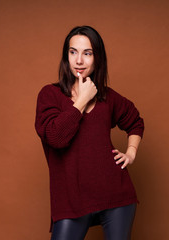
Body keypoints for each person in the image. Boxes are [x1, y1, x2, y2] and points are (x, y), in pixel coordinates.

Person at [35, 26, 144, 240]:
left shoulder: (108, 98)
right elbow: (56, 138)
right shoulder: (50, 95)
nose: (79, 60)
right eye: (73, 52)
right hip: (70, 201)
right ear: (66, 56)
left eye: (87, 53)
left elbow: (135, 121)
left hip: (116, 197)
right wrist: (83, 99)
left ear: (97, 58)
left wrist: (130, 152)